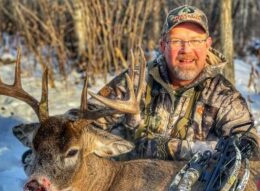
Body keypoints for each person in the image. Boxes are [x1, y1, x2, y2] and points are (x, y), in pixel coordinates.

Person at [87, 5, 260, 161]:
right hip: (127, 187)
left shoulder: (224, 96)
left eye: (195, 41)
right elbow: (84, 121)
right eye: (177, 41)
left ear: (207, 45)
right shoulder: (136, 80)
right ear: (163, 46)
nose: (186, 49)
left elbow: (249, 145)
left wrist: (168, 148)